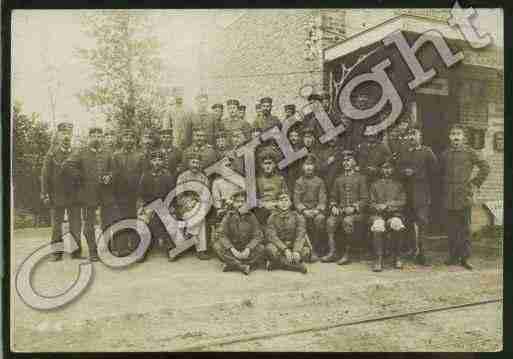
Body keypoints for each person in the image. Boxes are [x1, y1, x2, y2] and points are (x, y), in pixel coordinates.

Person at [440, 124, 490, 270]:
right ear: (450, 137)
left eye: (458, 134)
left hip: (464, 195)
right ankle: (453, 256)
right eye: (453, 134)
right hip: (449, 195)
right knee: (451, 228)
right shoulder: (445, 154)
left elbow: (485, 167)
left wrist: (474, 183)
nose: (456, 137)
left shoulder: (470, 152)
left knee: (465, 228)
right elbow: (440, 173)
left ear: (463, 137)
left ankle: (466, 258)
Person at [71, 127, 119, 262]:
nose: (97, 138)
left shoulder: (108, 153)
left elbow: (114, 170)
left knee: (108, 221)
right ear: (89, 137)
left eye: (99, 135)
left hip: (105, 193)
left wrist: (110, 176)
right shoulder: (81, 152)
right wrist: (81, 178)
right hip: (88, 194)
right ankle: (93, 251)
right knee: (89, 223)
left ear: (102, 138)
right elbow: (68, 167)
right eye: (94, 135)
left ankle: (109, 247)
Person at [41, 122, 83, 261]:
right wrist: (45, 193)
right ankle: (56, 252)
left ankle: (76, 252)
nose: (66, 136)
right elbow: (45, 175)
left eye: (68, 133)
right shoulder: (51, 154)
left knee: (76, 224)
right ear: (58, 135)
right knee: (56, 225)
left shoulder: (77, 152)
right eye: (63, 133)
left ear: (71, 135)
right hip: (56, 194)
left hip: (74, 194)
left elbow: (83, 173)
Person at [397, 127, 439, 265]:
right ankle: (411, 250)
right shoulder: (404, 152)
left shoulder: (427, 152)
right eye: (409, 134)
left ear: (420, 136)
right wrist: (404, 172)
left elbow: (435, 171)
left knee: (422, 222)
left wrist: (416, 173)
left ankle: (423, 253)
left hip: (421, 192)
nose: (411, 137)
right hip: (406, 193)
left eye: (414, 134)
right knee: (408, 222)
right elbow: (397, 169)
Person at [324, 151, 368, 264]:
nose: (346, 163)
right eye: (344, 160)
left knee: (347, 221)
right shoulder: (338, 179)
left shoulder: (361, 178)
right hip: (341, 211)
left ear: (354, 162)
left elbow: (365, 199)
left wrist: (354, 207)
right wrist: (333, 206)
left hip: (357, 214)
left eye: (348, 160)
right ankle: (332, 252)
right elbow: (333, 197)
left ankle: (347, 254)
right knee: (330, 222)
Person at [213, 190, 266, 275]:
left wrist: (248, 249)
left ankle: (231, 264)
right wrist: (232, 249)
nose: (240, 204)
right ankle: (242, 266)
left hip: (246, 247)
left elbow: (258, 235)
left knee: (262, 248)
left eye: (242, 202)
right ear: (233, 203)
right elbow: (221, 234)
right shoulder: (228, 216)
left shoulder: (251, 216)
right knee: (217, 246)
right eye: (237, 202)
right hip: (233, 247)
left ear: (246, 203)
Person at [369, 159, 407, 272]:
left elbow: (403, 201)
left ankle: (397, 257)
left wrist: (389, 206)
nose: (387, 171)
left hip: (394, 214)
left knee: (397, 223)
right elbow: (370, 203)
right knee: (378, 225)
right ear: (381, 170)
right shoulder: (375, 185)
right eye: (384, 168)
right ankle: (378, 259)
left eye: (389, 168)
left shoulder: (399, 185)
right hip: (378, 215)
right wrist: (378, 207)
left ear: (393, 170)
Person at [137, 149, 176, 262]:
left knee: (168, 220)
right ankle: (143, 249)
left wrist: (170, 207)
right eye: (154, 160)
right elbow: (140, 194)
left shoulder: (167, 175)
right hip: (149, 206)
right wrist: (141, 207)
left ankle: (170, 248)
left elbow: (172, 193)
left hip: (164, 205)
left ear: (163, 162)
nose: (157, 162)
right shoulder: (145, 175)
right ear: (150, 162)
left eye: (160, 160)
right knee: (142, 221)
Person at [111, 127, 144, 256]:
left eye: (131, 138)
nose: (129, 140)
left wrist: (141, 194)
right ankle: (121, 247)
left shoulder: (140, 156)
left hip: (135, 193)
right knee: (120, 220)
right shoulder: (116, 156)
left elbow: (143, 175)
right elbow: (113, 175)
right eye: (126, 137)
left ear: (135, 140)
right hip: (119, 194)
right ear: (121, 140)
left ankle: (135, 247)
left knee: (134, 219)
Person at [175, 150, 211, 260]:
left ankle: (190, 233)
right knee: (200, 218)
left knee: (201, 211)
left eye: (198, 163)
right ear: (189, 163)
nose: (195, 165)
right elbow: (179, 194)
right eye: (193, 162)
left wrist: (197, 203)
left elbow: (206, 194)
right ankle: (201, 249)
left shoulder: (203, 177)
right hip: (185, 207)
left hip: (199, 205)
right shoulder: (182, 176)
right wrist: (188, 204)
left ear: (200, 165)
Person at [293, 154, 327, 262]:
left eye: (311, 164)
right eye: (306, 164)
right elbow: (296, 200)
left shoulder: (319, 181)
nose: (308, 167)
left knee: (320, 219)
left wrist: (317, 210)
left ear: (314, 166)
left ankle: (317, 249)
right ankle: (306, 249)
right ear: (302, 167)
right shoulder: (299, 182)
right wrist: (304, 210)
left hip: (316, 210)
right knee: (301, 221)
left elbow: (323, 198)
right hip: (303, 211)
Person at [265, 192, 309, 274]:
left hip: (293, 245)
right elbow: (272, 236)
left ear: (290, 203)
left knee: (306, 251)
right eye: (281, 200)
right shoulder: (272, 217)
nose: (284, 203)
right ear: (277, 203)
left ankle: (277, 264)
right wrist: (285, 250)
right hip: (279, 247)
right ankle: (297, 266)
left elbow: (300, 234)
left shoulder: (297, 216)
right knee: (270, 249)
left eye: (286, 200)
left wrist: (296, 250)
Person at [255, 146, 289, 225]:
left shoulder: (280, 179)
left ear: (274, 164)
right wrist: (263, 204)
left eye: (270, 163)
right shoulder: (257, 180)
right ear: (261, 165)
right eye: (265, 163)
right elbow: (253, 199)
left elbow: (285, 196)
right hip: (262, 210)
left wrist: (277, 204)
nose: (267, 166)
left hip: (277, 208)